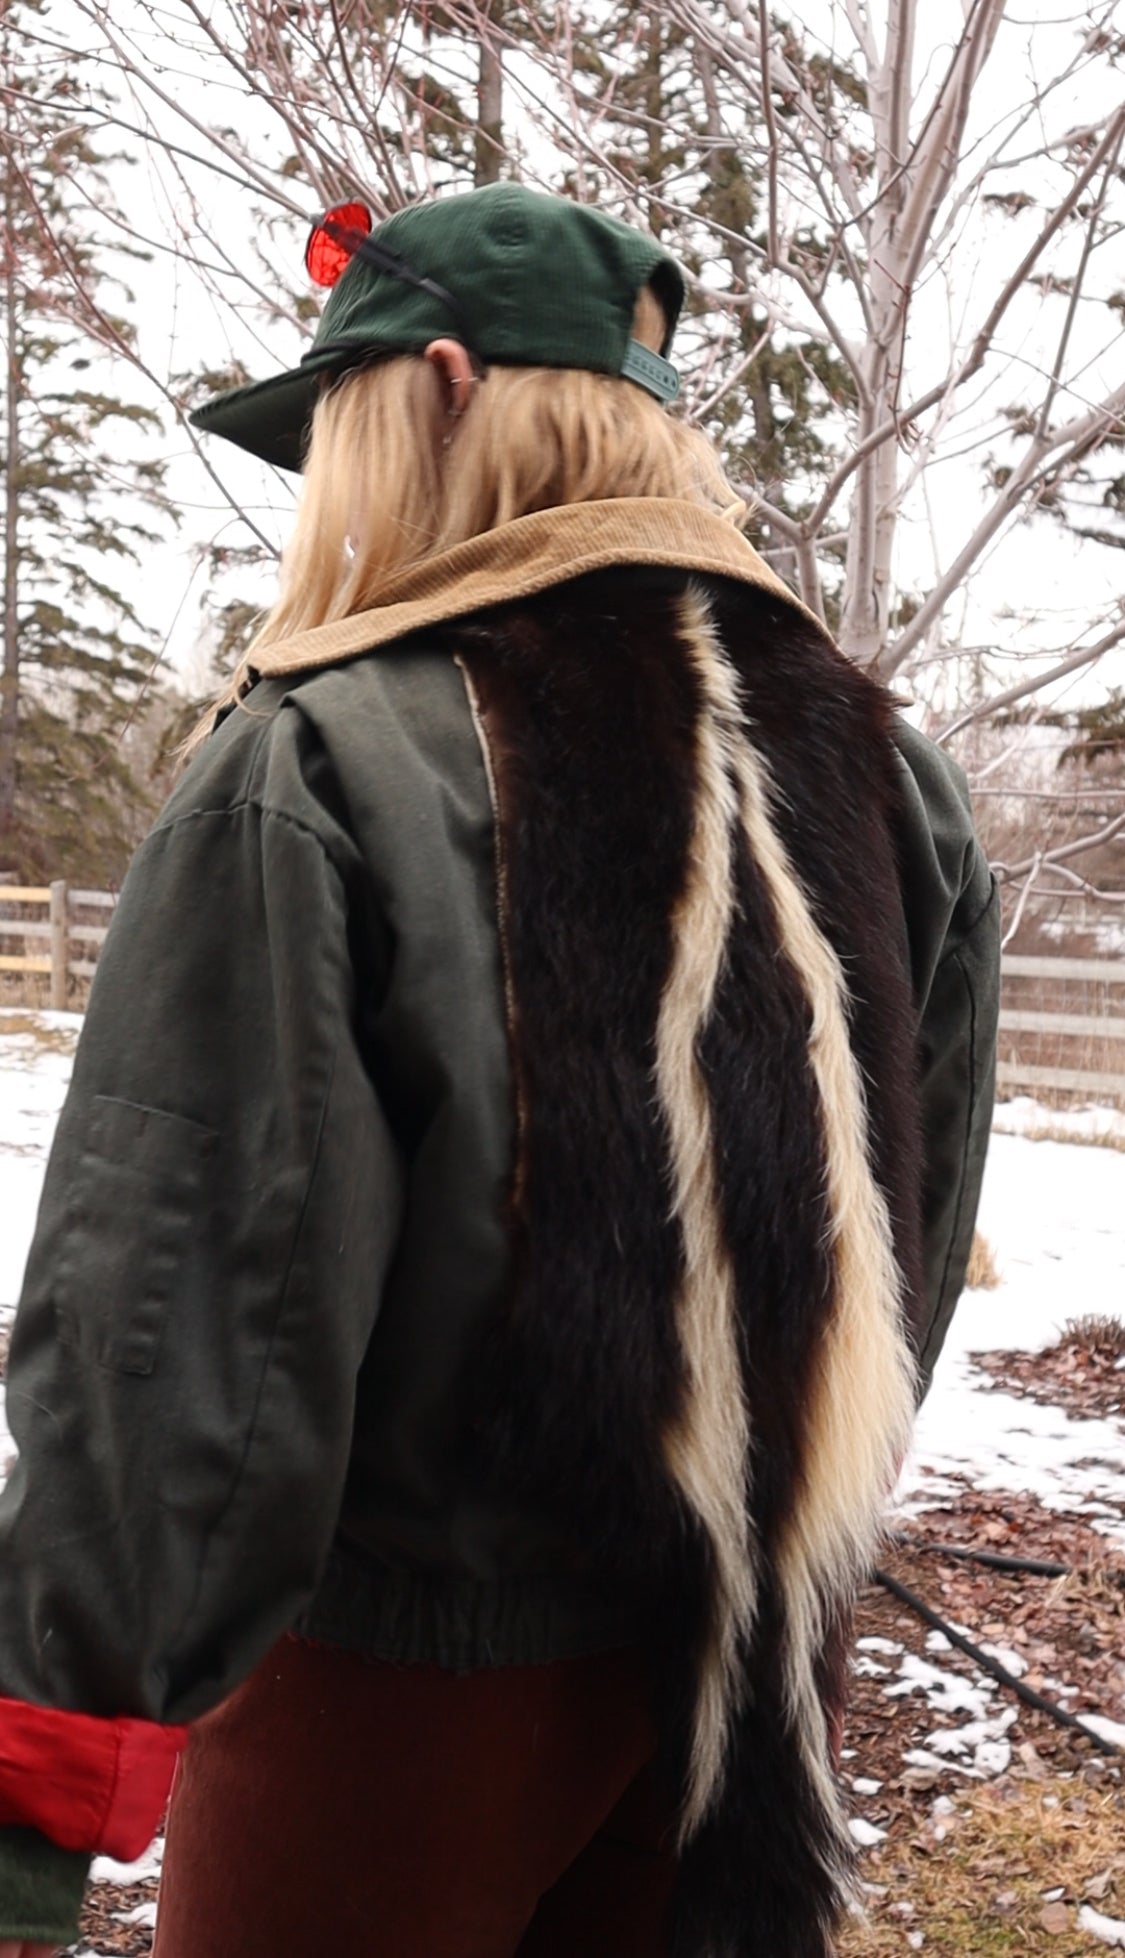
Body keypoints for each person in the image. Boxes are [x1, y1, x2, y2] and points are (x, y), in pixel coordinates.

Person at [0, 183, 998, 1958]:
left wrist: (39, 1780)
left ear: (445, 389)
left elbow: (183, 1313)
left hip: (399, 1697)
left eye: (338, 428)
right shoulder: (884, 769)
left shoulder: (325, 759)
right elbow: (904, 1231)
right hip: (739, 1695)